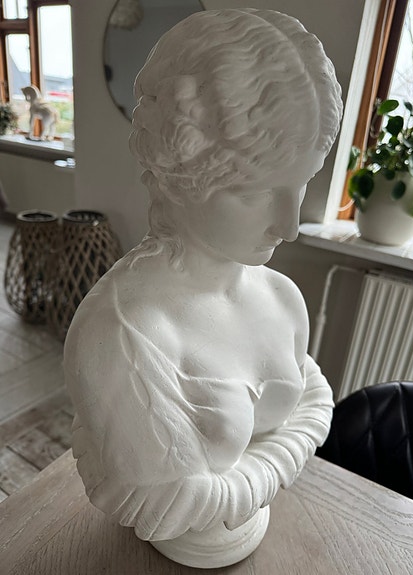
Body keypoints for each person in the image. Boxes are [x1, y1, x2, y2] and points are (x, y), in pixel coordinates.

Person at [64, 7, 342, 556]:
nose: (289, 226)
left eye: (304, 182)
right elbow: (164, 505)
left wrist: (248, 476)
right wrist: (297, 443)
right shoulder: (123, 335)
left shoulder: (282, 297)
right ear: (181, 176)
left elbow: (314, 397)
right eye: (255, 192)